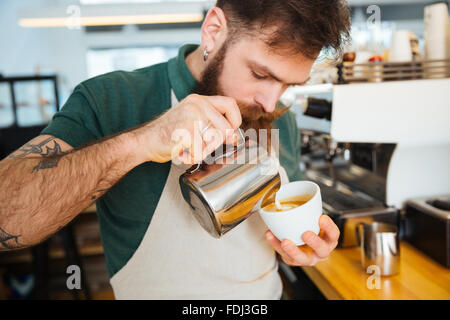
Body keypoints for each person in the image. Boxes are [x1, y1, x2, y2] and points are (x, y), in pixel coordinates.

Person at [0, 0, 350, 299]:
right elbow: (7, 220)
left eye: (288, 84)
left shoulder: (277, 117)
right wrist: (142, 141)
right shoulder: (112, 99)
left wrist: (302, 243)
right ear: (213, 32)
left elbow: (284, 220)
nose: (271, 101)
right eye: (261, 74)